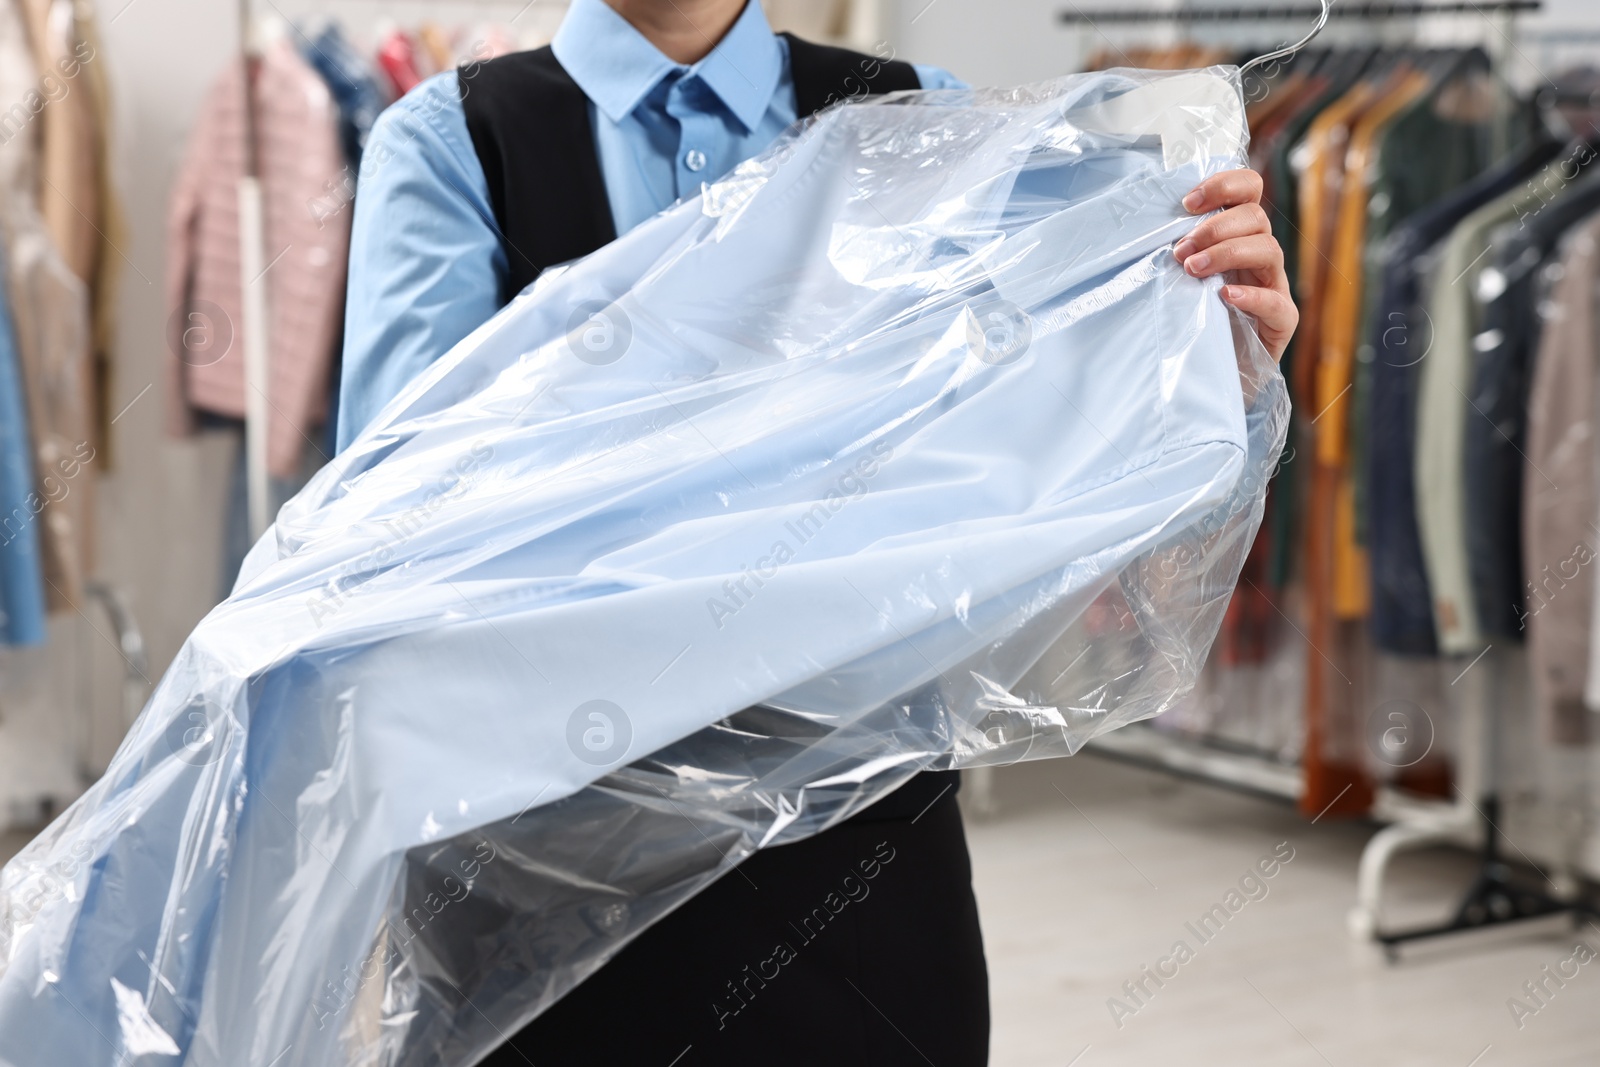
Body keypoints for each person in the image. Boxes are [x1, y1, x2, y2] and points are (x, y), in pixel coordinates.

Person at [335, 2, 1299, 1063]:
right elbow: (406, 542)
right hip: (545, 879)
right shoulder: (454, 144)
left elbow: (1046, 477)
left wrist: (1211, 362)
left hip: (859, 865)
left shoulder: (925, 120)